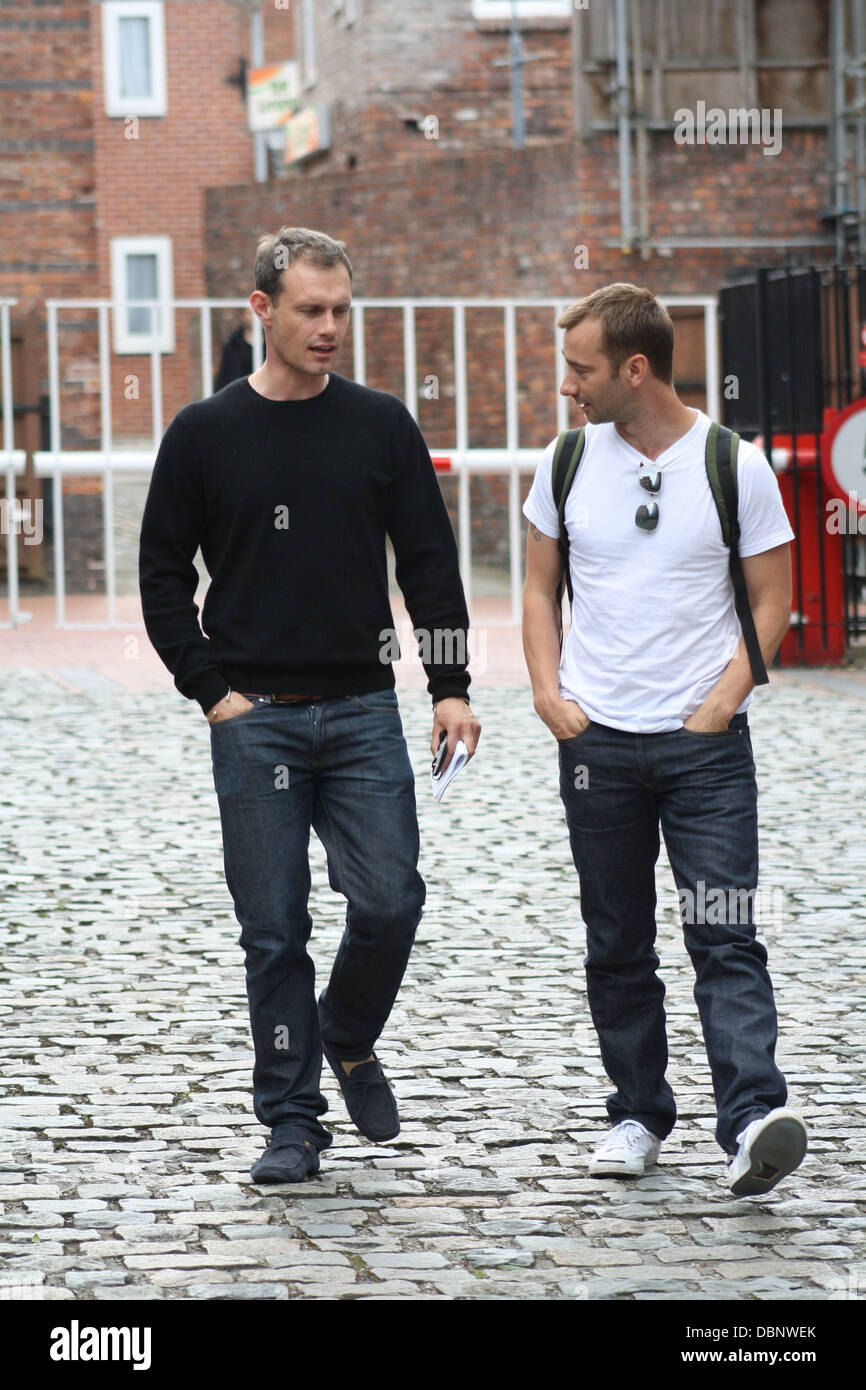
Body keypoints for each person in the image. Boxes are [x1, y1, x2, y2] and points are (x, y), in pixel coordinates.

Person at [139, 226, 480, 1183]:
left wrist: (448, 687)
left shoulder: (380, 425)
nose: (330, 328)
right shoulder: (204, 434)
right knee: (274, 929)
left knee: (390, 900)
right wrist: (214, 694)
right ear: (262, 312)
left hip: (366, 713)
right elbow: (163, 577)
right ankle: (292, 1121)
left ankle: (347, 1032)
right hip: (257, 721)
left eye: (341, 311)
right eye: (310, 311)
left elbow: (430, 567)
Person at [521, 283, 807, 1197]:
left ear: (633, 369)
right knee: (617, 941)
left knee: (724, 934)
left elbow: (775, 601)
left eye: (581, 368)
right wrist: (547, 694)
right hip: (597, 742)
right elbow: (536, 590)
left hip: (705, 748)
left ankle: (754, 1117)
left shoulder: (734, 464)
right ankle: (638, 1114)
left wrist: (721, 701)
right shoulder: (565, 464)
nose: (569, 385)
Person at [214, 309, 254, 392]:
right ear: (243, 316)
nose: (253, 317)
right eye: (249, 313)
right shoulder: (232, 345)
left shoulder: (270, 344)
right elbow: (224, 375)